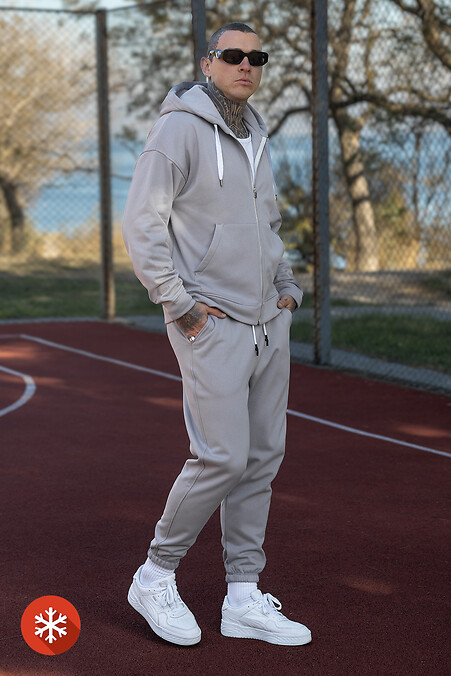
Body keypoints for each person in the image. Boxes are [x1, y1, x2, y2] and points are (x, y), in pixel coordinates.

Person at [122, 22, 311, 648]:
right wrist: (179, 305)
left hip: (268, 321)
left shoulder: (255, 131)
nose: (246, 65)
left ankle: (243, 596)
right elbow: (143, 223)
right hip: (212, 321)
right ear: (209, 63)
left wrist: (286, 287)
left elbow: (268, 223)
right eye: (233, 55)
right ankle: (155, 574)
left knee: (261, 459)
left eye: (257, 57)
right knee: (222, 456)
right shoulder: (178, 129)